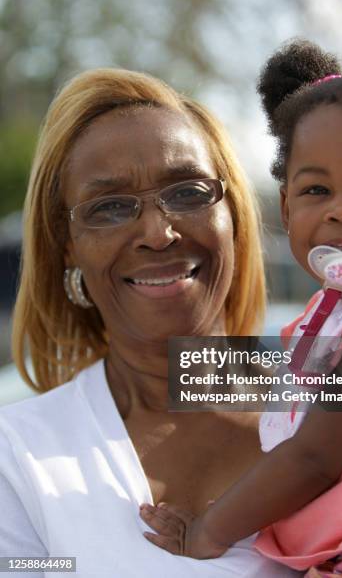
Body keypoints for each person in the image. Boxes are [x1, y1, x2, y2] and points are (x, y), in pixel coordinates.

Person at [140, 19, 342, 576]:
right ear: (287, 208)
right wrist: (147, 370)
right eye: (317, 190)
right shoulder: (331, 315)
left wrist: (210, 528)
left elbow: (315, 456)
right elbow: (254, 378)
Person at [0, 68, 301, 577]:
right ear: (68, 248)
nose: (158, 234)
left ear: (234, 216)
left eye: (188, 192)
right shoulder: (19, 456)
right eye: (110, 207)